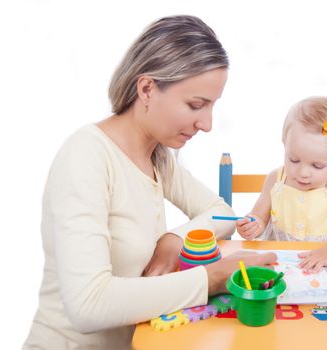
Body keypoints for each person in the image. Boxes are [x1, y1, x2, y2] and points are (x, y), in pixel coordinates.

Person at [23, 15, 276, 349]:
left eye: (211, 106)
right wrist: (213, 278)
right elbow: (87, 304)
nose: (207, 123)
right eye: (195, 105)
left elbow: (220, 211)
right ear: (146, 89)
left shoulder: (157, 156)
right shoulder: (86, 156)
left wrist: (173, 239)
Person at [236, 96, 327, 273]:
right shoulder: (276, 179)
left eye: (317, 166)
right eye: (294, 159)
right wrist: (252, 225)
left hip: (322, 266)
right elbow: (258, 216)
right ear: (285, 145)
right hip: (278, 265)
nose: (303, 173)